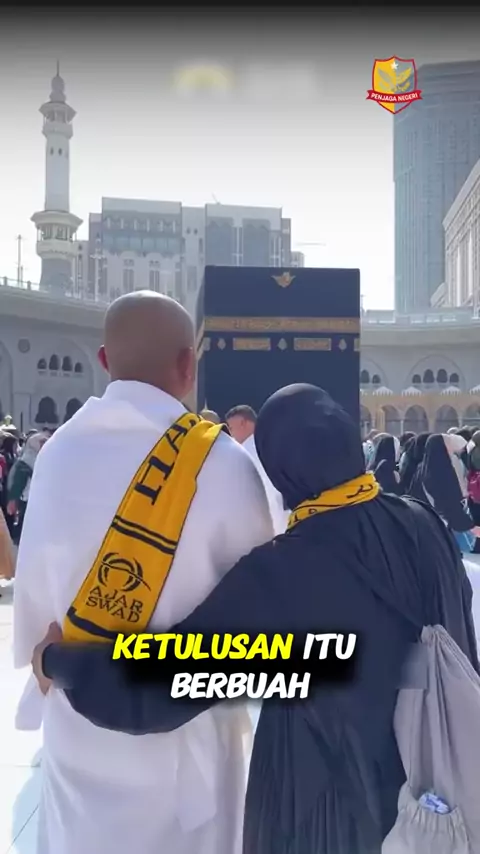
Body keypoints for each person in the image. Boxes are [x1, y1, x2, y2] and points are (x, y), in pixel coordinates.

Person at [32, 384, 479, 854]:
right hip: (440, 797)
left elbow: (166, 680)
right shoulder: (425, 524)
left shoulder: (288, 568)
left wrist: (58, 661)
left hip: (329, 812)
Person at [14, 291, 274, 854]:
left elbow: (35, 604)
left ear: (104, 361)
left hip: (79, 715)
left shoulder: (56, 456)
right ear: (188, 365)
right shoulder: (224, 462)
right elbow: (263, 609)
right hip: (188, 733)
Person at [226, 404, 288, 534]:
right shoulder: (271, 443)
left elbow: (266, 493)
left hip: (267, 525)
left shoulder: (246, 453)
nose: (230, 435)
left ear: (243, 423)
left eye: (231, 428)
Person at [7, 431, 49, 544]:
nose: (44, 445)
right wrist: (13, 500)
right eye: (41, 442)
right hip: (28, 499)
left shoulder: (41, 458)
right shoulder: (27, 461)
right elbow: (18, 483)